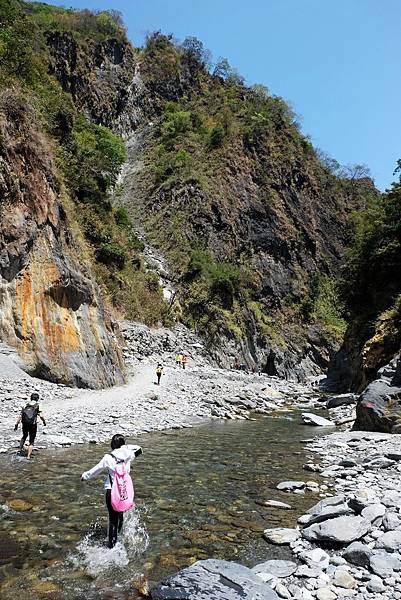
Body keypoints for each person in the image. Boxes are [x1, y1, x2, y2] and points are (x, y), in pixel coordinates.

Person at [81, 434, 142, 548]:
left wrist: (85, 476)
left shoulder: (108, 458)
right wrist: (125, 447)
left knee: (112, 520)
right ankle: (120, 537)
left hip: (111, 492)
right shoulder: (129, 455)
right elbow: (139, 449)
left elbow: (95, 471)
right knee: (120, 515)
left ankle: (112, 546)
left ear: (112, 445)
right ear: (123, 445)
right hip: (124, 491)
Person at [14, 393, 46, 459]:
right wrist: (44, 422)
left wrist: (16, 424)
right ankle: (28, 456)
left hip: (25, 423)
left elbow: (20, 415)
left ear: (31, 398)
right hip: (33, 424)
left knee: (24, 436)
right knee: (31, 441)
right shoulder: (38, 405)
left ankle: (19, 450)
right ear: (37, 399)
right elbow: (41, 415)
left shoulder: (25, 405)